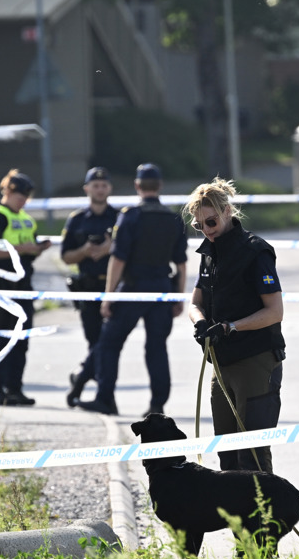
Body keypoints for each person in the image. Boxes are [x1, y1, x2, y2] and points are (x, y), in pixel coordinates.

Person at [187, 178, 285, 475]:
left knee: (252, 455)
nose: (206, 229)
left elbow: (275, 312)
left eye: (212, 221)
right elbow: (194, 304)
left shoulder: (256, 252)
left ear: (228, 211)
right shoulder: (208, 253)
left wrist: (231, 327)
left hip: (256, 360)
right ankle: (239, 522)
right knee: (227, 458)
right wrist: (202, 323)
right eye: (199, 225)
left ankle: (266, 521)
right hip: (222, 364)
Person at [77, 163, 188, 416]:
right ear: (159, 186)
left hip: (133, 288)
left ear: (137, 186)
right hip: (162, 289)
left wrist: (109, 295)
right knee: (156, 347)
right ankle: (157, 405)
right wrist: (178, 297)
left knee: (109, 343)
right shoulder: (173, 218)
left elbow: (118, 260)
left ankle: (105, 399)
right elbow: (181, 263)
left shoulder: (130, 216)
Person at [0, 169, 51, 405]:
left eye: (26, 196)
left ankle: (14, 389)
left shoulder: (27, 219)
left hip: (22, 285)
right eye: (20, 195)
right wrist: (26, 249)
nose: (23, 201)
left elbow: (28, 253)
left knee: (21, 340)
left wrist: (37, 249)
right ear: (8, 191)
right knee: (0, 337)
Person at [61, 167, 118, 407]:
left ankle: (83, 380)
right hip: (86, 288)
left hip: (112, 288)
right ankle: (94, 387)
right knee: (97, 342)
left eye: (104, 185)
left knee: (108, 342)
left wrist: (109, 248)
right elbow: (65, 256)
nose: (100, 189)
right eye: (95, 185)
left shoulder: (119, 217)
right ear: (87, 189)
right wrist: (84, 251)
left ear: (109, 188)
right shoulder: (77, 220)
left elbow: (129, 251)